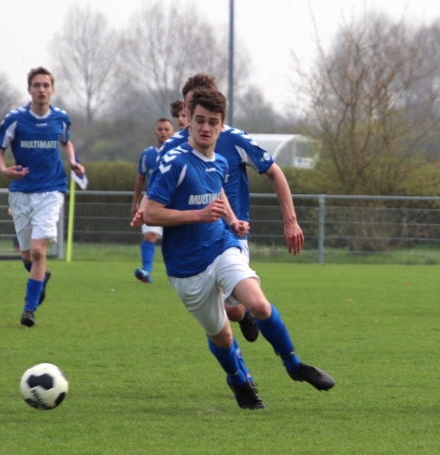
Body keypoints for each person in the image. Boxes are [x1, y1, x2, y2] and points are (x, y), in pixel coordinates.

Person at [133, 87, 334, 410]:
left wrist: (232, 220)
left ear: (221, 123)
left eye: (213, 122)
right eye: (200, 120)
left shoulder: (221, 160)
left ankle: (294, 364)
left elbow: (218, 191)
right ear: (189, 119)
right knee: (223, 337)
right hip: (186, 268)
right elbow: (152, 214)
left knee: (259, 304)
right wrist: (197, 215)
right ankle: (239, 381)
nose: (206, 127)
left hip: (221, 246)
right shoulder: (174, 161)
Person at [159, 73, 305, 343]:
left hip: (231, 235)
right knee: (222, 315)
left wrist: (291, 221)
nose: (191, 114)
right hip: (191, 241)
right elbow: (159, 192)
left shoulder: (235, 139)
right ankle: (231, 346)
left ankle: (248, 319)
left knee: (235, 309)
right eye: (189, 107)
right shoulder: (172, 147)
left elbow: (274, 172)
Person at [0, 66, 85, 328]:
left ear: (52, 89)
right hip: (21, 192)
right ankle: (41, 276)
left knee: (37, 250)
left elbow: (65, 141)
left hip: (50, 190)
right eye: (37, 85)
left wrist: (73, 161)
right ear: (29, 89)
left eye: (46, 85)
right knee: (27, 256)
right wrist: (5, 170)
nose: (41, 89)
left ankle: (29, 309)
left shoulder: (61, 118)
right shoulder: (14, 119)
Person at [131, 118, 175, 283]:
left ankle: (176, 273)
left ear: (173, 132)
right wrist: (135, 202)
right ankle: (146, 272)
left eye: (166, 129)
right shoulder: (147, 154)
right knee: (150, 235)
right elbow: (140, 178)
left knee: (176, 239)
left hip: (174, 202)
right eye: (160, 129)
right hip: (153, 201)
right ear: (155, 133)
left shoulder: (179, 153)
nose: (163, 132)